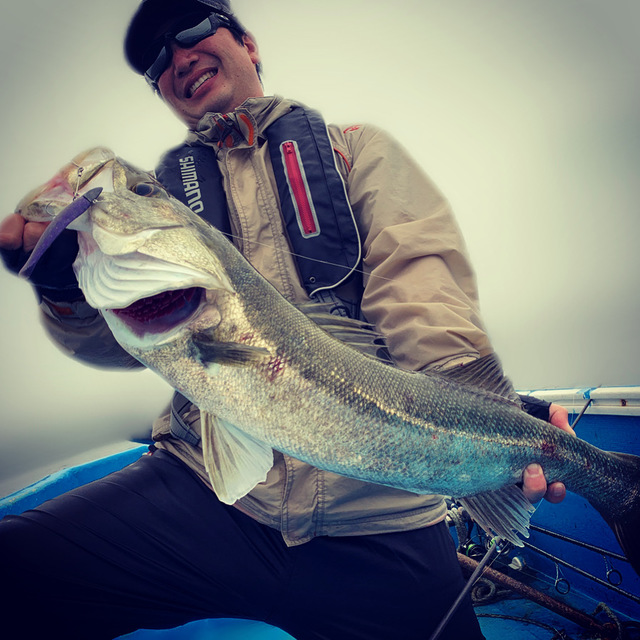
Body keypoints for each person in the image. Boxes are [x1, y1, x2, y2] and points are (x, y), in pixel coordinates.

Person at [0, 1, 574, 638]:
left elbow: (422, 290)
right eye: (157, 62)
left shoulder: (356, 151)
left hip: (378, 515)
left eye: (192, 30)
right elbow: (115, 343)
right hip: (204, 489)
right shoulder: (168, 199)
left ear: (247, 43)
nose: (178, 57)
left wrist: (484, 411)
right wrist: (63, 284)